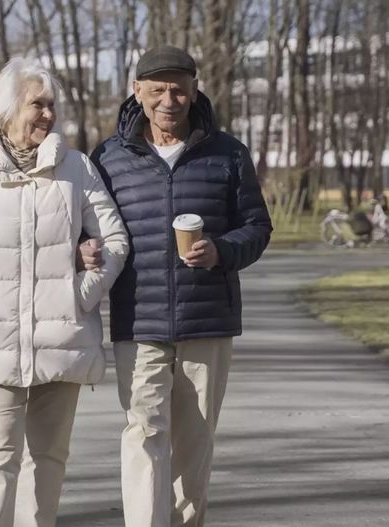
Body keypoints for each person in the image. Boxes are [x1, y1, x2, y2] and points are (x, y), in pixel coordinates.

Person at [0, 58, 128, 527]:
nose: (47, 114)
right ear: (6, 108)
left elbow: (115, 240)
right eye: (37, 104)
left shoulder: (76, 167)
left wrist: (86, 288)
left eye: (51, 105)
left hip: (63, 334)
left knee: (49, 456)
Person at [86, 46, 273, 526]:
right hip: (138, 319)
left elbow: (257, 227)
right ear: (137, 91)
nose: (169, 100)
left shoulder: (228, 153)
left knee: (194, 439)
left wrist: (222, 250)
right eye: (158, 90)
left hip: (207, 320)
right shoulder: (108, 157)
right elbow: (87, 229)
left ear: (194, 90)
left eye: (179, 89)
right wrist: (84, 248)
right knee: (143, 432)